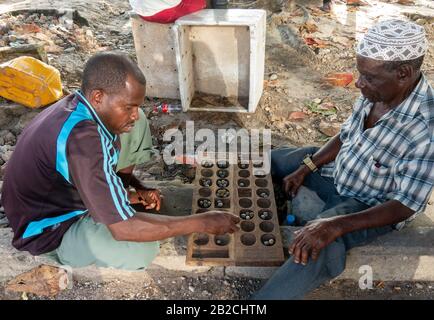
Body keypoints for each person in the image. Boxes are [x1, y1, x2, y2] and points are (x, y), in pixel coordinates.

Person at [1, 52, 239, 270]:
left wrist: (135, 189)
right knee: (140, 249)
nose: (134, 114)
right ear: (98, 96)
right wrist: (201, 222)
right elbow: (124, 229)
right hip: (48, 229)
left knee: (139, 122)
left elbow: (91, 170)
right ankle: (73, 245)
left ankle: (115, 198)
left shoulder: (82, 107)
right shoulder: (83, 141)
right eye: (128, 107)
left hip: (62, 196)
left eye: (135, 105)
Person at [252, 19, 433, 299]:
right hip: (339, 173)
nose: (359, 83)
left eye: (368, 77)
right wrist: (307, 167)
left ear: (404, 73)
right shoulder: (378, 90)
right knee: (280, 158)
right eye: (360, 73)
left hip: (367, 205)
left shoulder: (426, 130)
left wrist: (334, 225)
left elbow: (405, 205)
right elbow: (347, 135)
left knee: (318, 244)